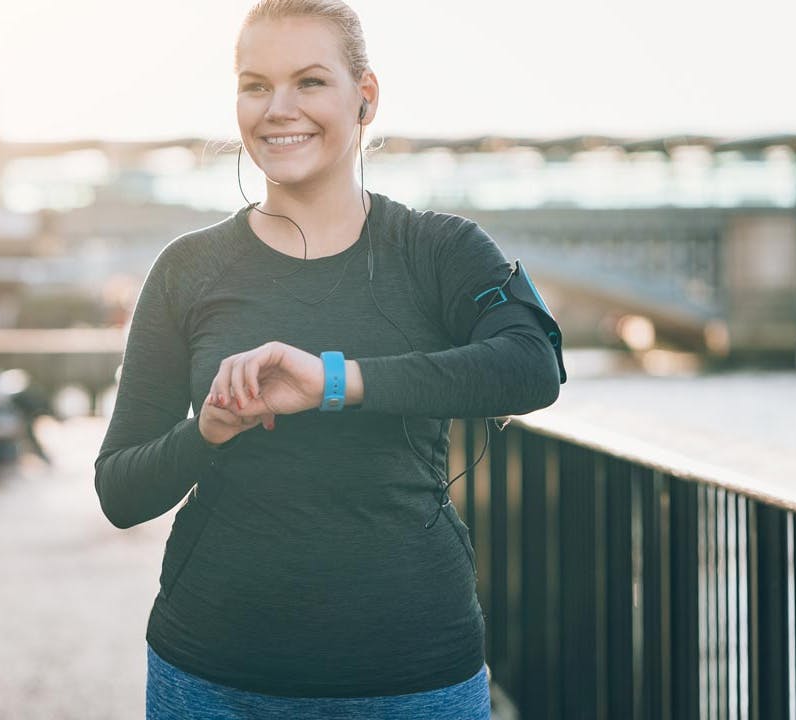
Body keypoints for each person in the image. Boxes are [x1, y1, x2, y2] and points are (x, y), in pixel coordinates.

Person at [94, 1, 564, 717]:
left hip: (414, 677)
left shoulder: (438, 249)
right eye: (255, 85)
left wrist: (335, 381)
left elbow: (533, 364)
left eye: (310, 82)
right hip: (215, 677)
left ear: (365, 97)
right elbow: (119, 492)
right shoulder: (187, 270)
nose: (278, 109)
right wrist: (208, 432)